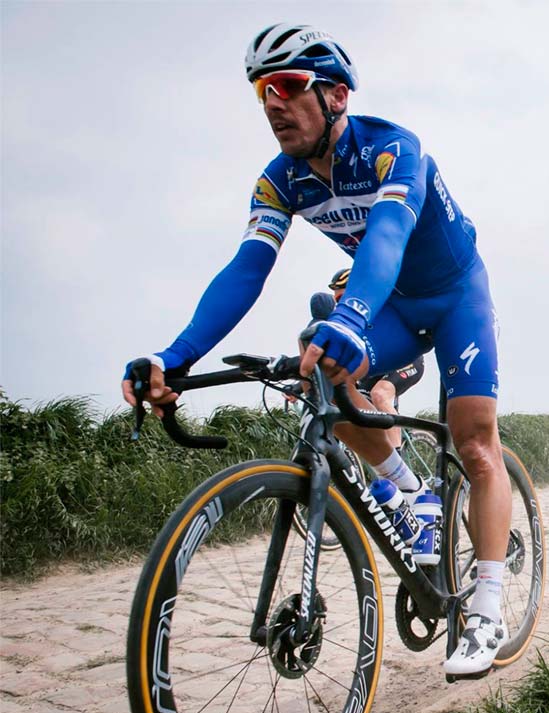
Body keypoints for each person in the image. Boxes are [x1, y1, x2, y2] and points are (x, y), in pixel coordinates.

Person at [121, 24, 510, 678]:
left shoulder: (393, 151)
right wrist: (175, 357)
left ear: (335, 95)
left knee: (474, 444)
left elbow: (388, 234)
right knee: (319, 377)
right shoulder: (281, 182)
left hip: (453, 295)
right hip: (393, 305)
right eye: (261, 90)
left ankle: (490, 605)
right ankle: (413, 498)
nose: (272, 102)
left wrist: (352, 318)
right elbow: (246, 270)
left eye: (288, 86)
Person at [316, 268, 425, 450]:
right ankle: (380, 452)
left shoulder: (378, 308)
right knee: (346, 397)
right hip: (378, 365)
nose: (339, 306)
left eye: (342, 298)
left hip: (407, 361)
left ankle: (396, 452)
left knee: (380, 394)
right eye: (336, 301)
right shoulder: (347, 320)